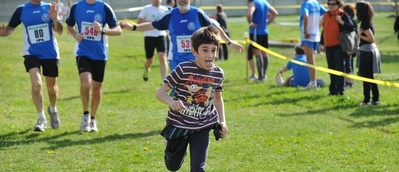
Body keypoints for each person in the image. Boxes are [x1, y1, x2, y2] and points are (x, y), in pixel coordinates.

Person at [155, 25, 227, 172]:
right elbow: (160, 93)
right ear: (194, 51)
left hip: (202, 127)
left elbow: (217, 98)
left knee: (199, 169)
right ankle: (173, 152)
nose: (210, 55)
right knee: (173, 165)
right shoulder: (183, 70)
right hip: (178, 126)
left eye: (213, 50)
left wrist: (222, 122)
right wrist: (171, 101)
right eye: (205, 50)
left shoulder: (218, 74)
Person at [120, 0, 243, 72]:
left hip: (198, 60)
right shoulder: (170, 15)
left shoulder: (197, 13)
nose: (181, 0)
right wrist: (133, 27)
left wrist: (229, 42)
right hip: (177, 60)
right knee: (179, 93)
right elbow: (151, 25)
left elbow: (216, 28)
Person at [0, 0, 63, 132]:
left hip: (50, 53)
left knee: (52, 88)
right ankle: (41, 118)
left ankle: (52, 109)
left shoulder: (50, 7)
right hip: (31, 53)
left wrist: (55, 19)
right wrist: (3, 32)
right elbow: (10, 29)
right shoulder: (21, 9)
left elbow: (59, 31)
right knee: (37, 84)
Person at [66, 0, 122, 132]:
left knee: (96, 90)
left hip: (100, 54)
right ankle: (85, 115)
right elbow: (69, 26)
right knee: (86, 84)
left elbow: (118, 30)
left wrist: (103, 30)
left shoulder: (104, 7)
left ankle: (92, 118)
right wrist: (75, 34)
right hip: (82, 52)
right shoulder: (76, 7)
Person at [319, 0, 353, 96]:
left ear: (338, 5)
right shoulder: (326, 14)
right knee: (331, 69)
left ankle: (340, 90)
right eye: (329, 4)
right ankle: (332, 90)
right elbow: (324, 30)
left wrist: (341, 22)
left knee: (339, 69)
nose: (330, 6)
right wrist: (321, 43)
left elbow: (351, 27)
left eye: (333, 4)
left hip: (339, 46)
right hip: (328, 46)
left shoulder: (342, 15)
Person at [356, 1, 381, 106]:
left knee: (366, 77)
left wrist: (359, 35)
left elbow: (371, 39)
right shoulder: (369, 21)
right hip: (368, 50)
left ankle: (367, 100)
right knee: (369, 76)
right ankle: (375, 99)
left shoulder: (365, 23)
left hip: (367, 51)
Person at [246, 0, 278, 82]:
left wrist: (251, 23)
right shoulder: (265, 2)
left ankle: (260, 77)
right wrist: (267, 22)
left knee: (257, 53)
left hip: (256, 32)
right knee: (264, 53)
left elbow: (249, 14)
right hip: (264, 32)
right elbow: (275, 13)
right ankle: (264, 75)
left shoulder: (253, 3)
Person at [138, 0, 169, 82]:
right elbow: (139, 21)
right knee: (149, 60)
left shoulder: (165, 10)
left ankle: (164, 81)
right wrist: (152, 24)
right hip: (149, 36)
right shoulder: (146, 8)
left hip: (161, 35)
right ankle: (146, 69)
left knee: (162, 57)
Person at [300, 0, 326, 90]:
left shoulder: (306, 4)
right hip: (316, 35)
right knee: (312, 60)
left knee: (310, 60)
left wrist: (305, 31)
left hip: (308, 36)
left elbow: (305, 16)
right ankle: (312, 82)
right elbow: (326, 13)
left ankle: (313, 83)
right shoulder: (316, 3)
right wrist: (318, 25)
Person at [342, 3, 357, 88]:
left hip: (348, 44)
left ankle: (349, 82)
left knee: (348, 64)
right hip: (352, 44)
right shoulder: (353, 20)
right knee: (349, 63)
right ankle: (349, 82)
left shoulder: (349, 20)